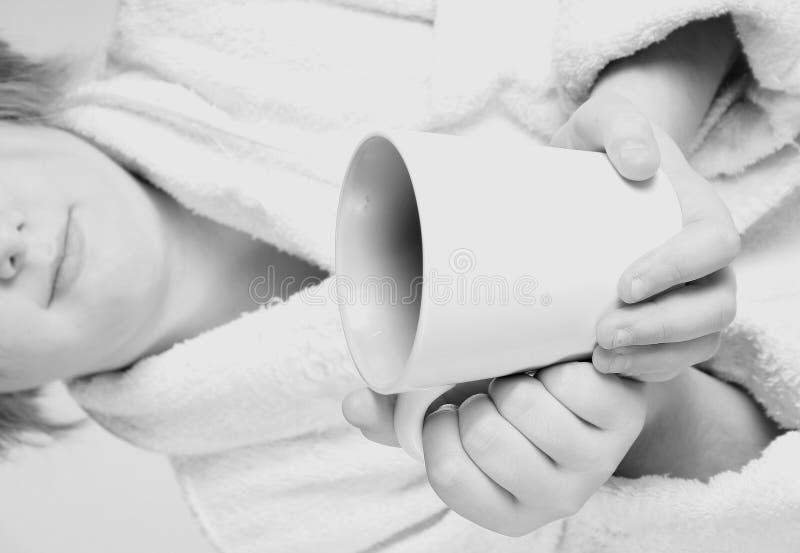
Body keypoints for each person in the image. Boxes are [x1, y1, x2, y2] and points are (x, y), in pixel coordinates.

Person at [0, 1, 798, 551]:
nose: (3, 249)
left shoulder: (222, 17)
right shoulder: (286, 526)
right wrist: (642, 417)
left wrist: (642, 112)